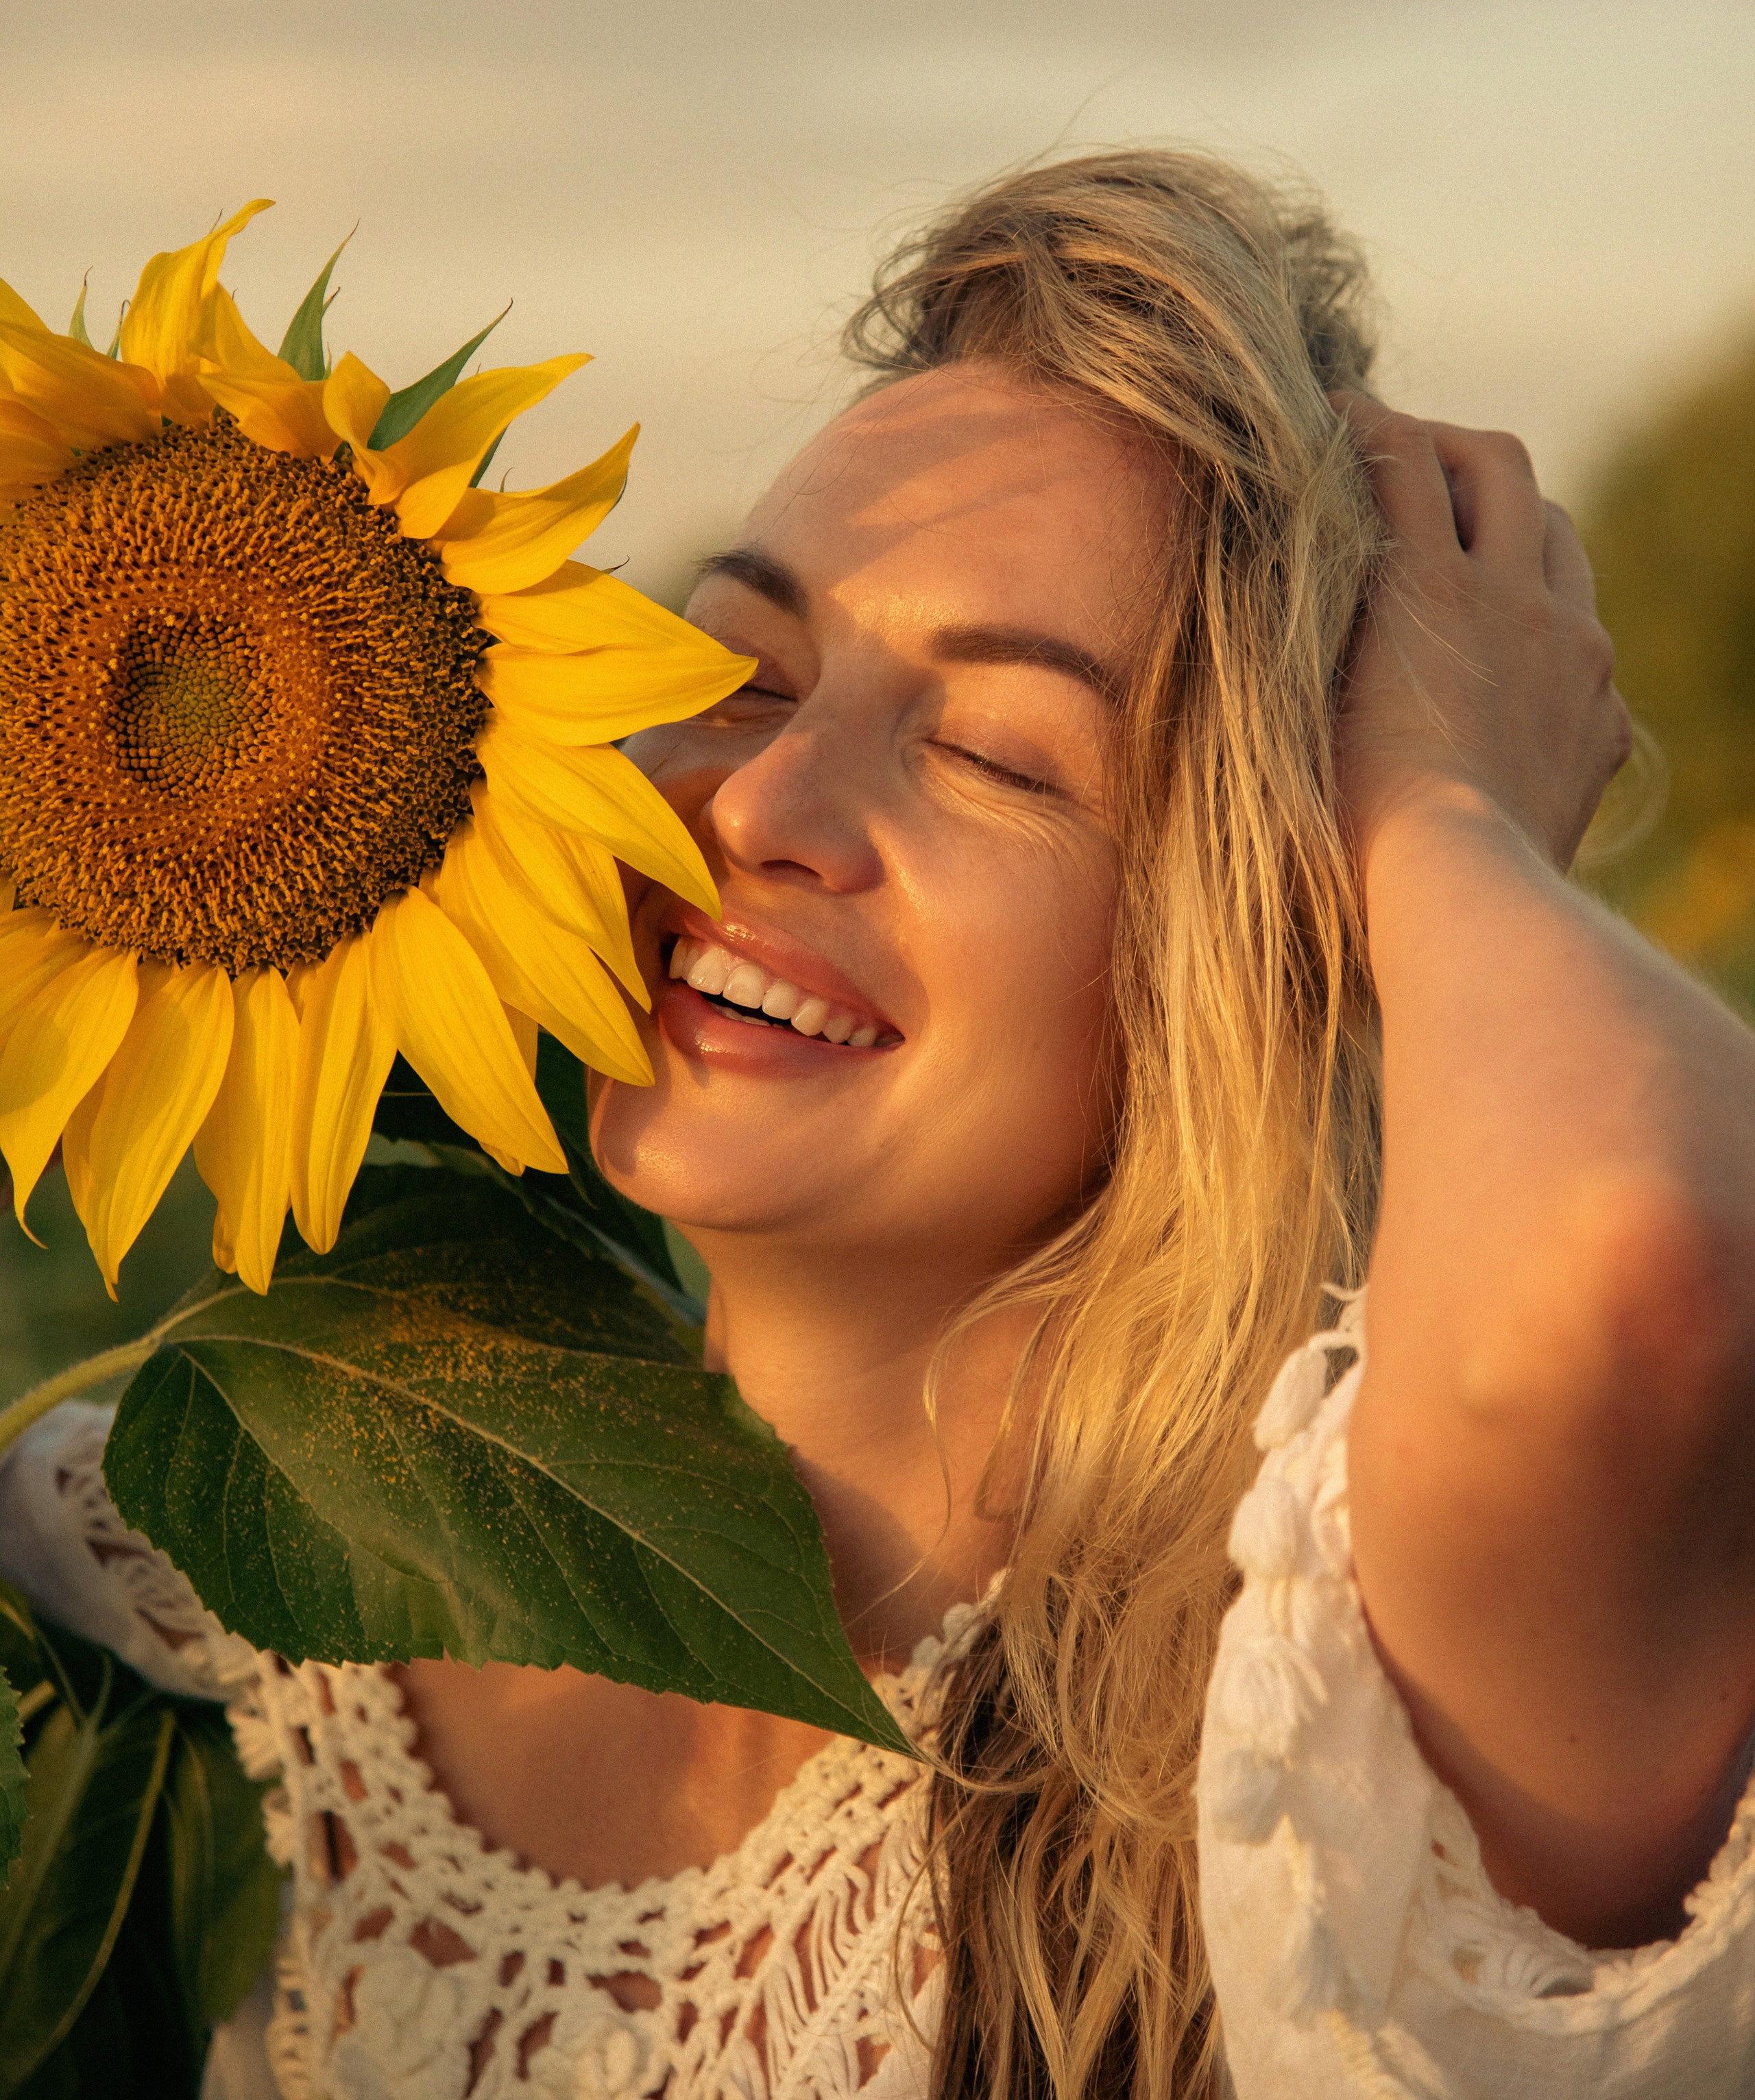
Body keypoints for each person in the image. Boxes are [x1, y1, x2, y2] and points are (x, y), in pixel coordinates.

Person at [5, 147, 1755, 2100]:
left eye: (995, 752)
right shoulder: (171, 1591)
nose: (760, 804)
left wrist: (1443, 807)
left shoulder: (1339, 1741)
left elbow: (1633, 1272)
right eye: (743, 673)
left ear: (1277, 935)